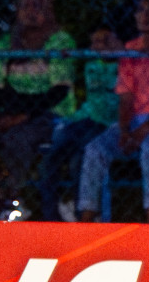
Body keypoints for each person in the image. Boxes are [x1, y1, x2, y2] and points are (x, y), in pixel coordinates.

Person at [77, 0, 149, 223]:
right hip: (135, 119)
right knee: (95, 149)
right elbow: (126, 96)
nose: (146, 16)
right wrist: (123, 129)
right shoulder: (131, 49)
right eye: (141, 11)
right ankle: (87, 215)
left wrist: (147, 127)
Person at [0, 0, 75, 211]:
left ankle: (15, 198)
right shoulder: (7, 42)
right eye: (25, 6)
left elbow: (57, 93)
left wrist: (19, 117)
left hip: (52, 113)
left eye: (37, 6)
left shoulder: (60, 41)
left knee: (19, 137)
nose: (30, 11)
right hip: (12, 111)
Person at [37, 25, 120, 221]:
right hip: (87, 119)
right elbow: (66, 57)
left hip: (108, 122)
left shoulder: (126, 64)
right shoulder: (90, 63)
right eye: (96, 42)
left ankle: (83, 217)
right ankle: (50, 216)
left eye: (105, 41)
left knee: (79, 162)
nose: (99, 47)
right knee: (51, 156)